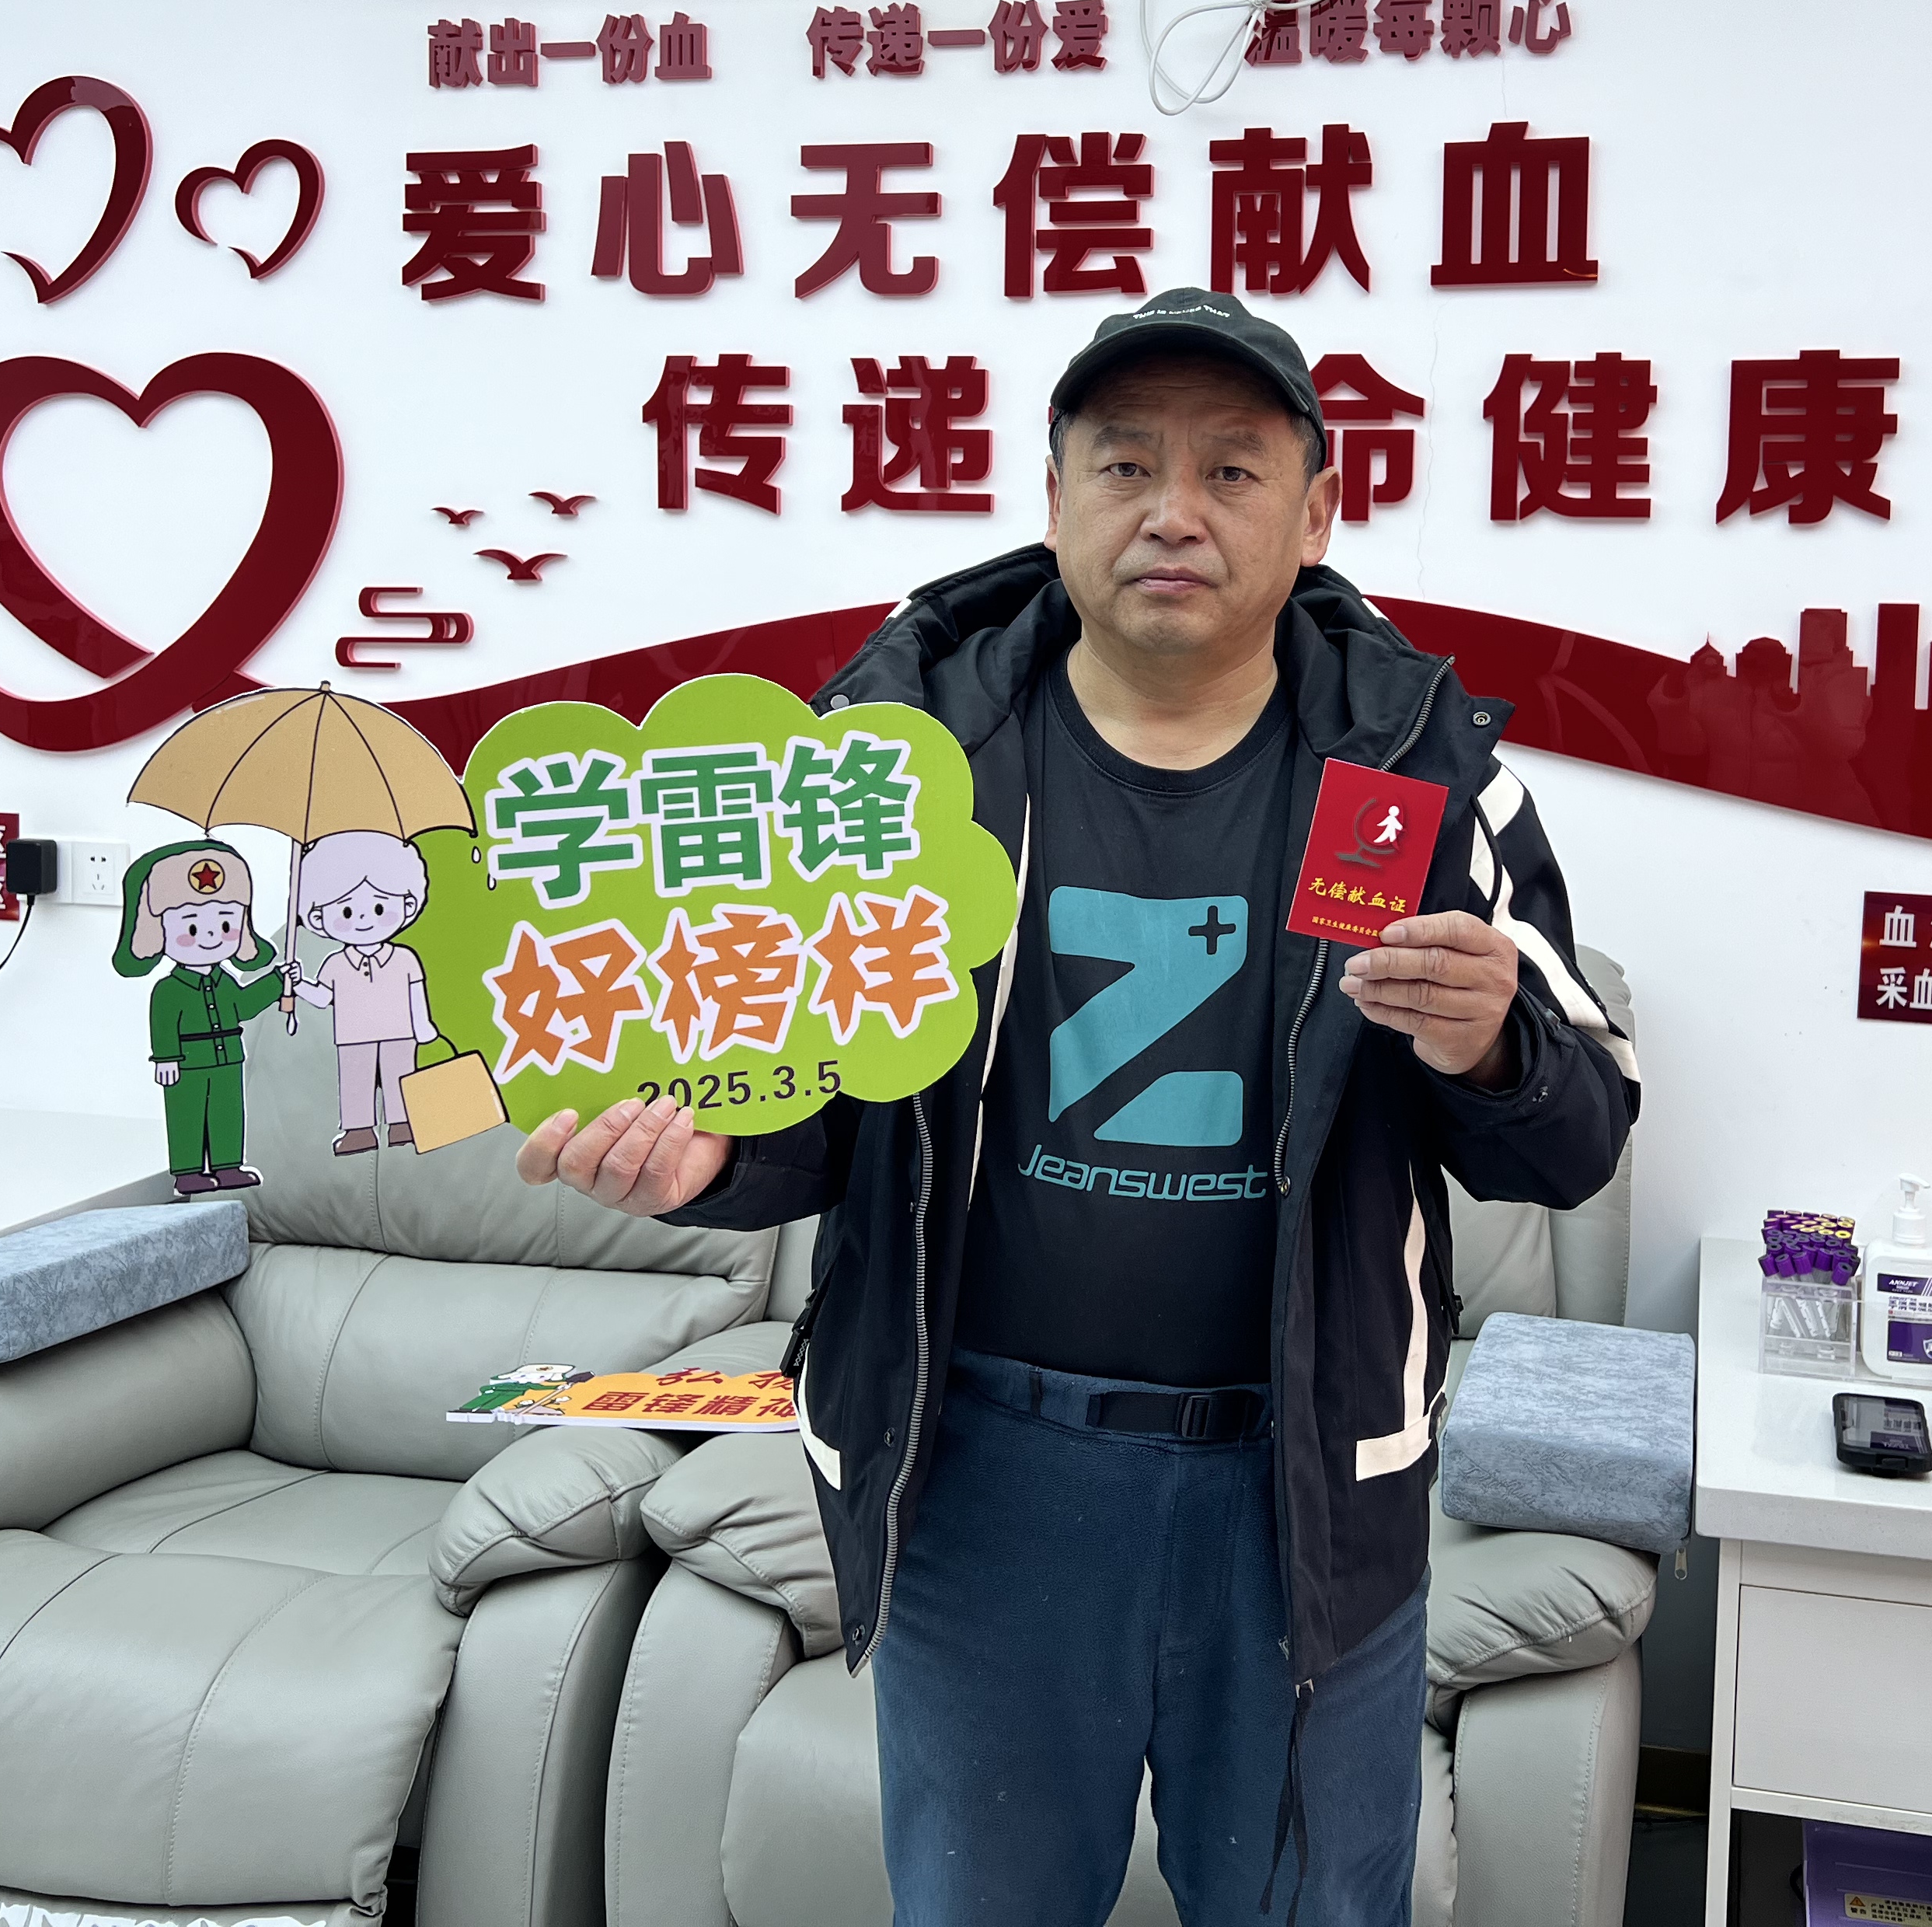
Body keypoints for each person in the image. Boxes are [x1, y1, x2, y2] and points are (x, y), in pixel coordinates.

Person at [521, 288, 1637, 1925]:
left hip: (1305, 1489)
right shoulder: (896, 758)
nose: (1173, 511)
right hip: (983, 1476)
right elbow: (815, 1101)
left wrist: (1491, 1047)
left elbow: (1582, 1130)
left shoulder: (1417, 774)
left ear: (1318, 512)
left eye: (1233, 469)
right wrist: (714, 1152)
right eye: (1124, 465)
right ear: (1052, 500)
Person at [113, 839, 283, 1196]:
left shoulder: (225, 982)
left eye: (226, 924)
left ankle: (227, 1165)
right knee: (187, 1114)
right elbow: (163, 1023)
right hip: (187, 1064)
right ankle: (189, 1170)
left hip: (227, 1058)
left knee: (227, 1112)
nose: (209, 936)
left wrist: (278, 982)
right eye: (191, 927)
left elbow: (243, 1006)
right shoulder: (168, 990)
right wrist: (166, 1058)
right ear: (158, 930)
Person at [288, 828, 441, 1154]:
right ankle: (359, 1131)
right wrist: (298, 984)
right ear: (318, 916)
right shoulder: (335, 964)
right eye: (345, 911)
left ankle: (402, 1124)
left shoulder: (405, 959)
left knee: (401, 1076)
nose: (362, 920)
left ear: (408, 904)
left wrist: (423, 1025)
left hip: (400, 1033)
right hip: (353, 1036)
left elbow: (416, 993)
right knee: (355, 1083)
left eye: (379, 908)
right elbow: (323, 997)